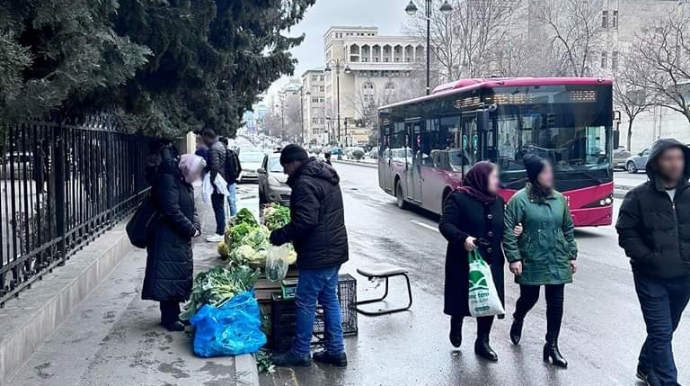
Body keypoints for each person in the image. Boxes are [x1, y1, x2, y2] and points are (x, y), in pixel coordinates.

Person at [616, 139, 690, 386]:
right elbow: (626, 233)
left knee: (668, 329)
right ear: (656, 162)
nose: (674, 163)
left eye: (678, 158)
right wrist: (648, 260)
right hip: (651, 277)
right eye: (668, 158)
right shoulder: (637, 197)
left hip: (684, 276)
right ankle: (668, 381)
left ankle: (645, 366)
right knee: (660, 331)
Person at [269, 144, 349, 368]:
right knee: (330, 299)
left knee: (305, 302)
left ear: (294, 163)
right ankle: (336, 351)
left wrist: (280, 235)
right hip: (334, 250)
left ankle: (300, 352)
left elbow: (306, 220)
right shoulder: (325, 174)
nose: (285, 173)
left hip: (318, 254)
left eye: (285, 167)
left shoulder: (305, 183)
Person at [439, 161, 522, 361]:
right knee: (462, 298)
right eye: (493, 177)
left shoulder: (498, 201)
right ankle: (456, 321)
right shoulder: (459, 198)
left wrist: (515, 231)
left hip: (491, 260)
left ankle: (482, 342)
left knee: (488, 300)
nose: (497, 181)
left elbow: (503, 229)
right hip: (463, 260)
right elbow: (445, 224)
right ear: (482, 178)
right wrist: (463, 239)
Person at [503, 154, 578, 368]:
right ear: (535, 175)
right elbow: (509, 231)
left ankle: (552, 345)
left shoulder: (559, 199)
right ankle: (518, 317)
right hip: (531, 257)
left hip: (557, 257)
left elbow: (568, 228)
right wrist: (514, 258)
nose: (550, 176)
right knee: (530, 298)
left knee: (556, 304)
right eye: (545, 172)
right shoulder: (519, 200)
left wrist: (572, 254)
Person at [142, 154, 204, 332]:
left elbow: (192, 209)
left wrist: (195, 226)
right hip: (166, 237)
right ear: (187, 168)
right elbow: (171, 209)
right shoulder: (168, 180)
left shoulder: (183, 180)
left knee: (177, 274)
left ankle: (175, 314)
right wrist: (190, 229)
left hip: (179, 236)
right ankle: (168, 318)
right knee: (168, 275)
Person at [201, 128, 228, 242]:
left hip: (217, 181)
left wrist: (212, 181)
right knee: (220, 206)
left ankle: (220, 232)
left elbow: (215, 166)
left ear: (207, 137)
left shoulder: (213, 148)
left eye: (203, 138)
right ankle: (221, 230)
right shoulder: (220, 145)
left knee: (218, 207)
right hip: (221, 179)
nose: (203, 141)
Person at [219, 137, 242, 217]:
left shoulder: (232, 154)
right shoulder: (218, 155)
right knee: (223, 203)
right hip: (221, 182)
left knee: (231, 201)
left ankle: (233, 220)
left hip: (230, 182)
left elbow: (239, 167)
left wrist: (234, 176)